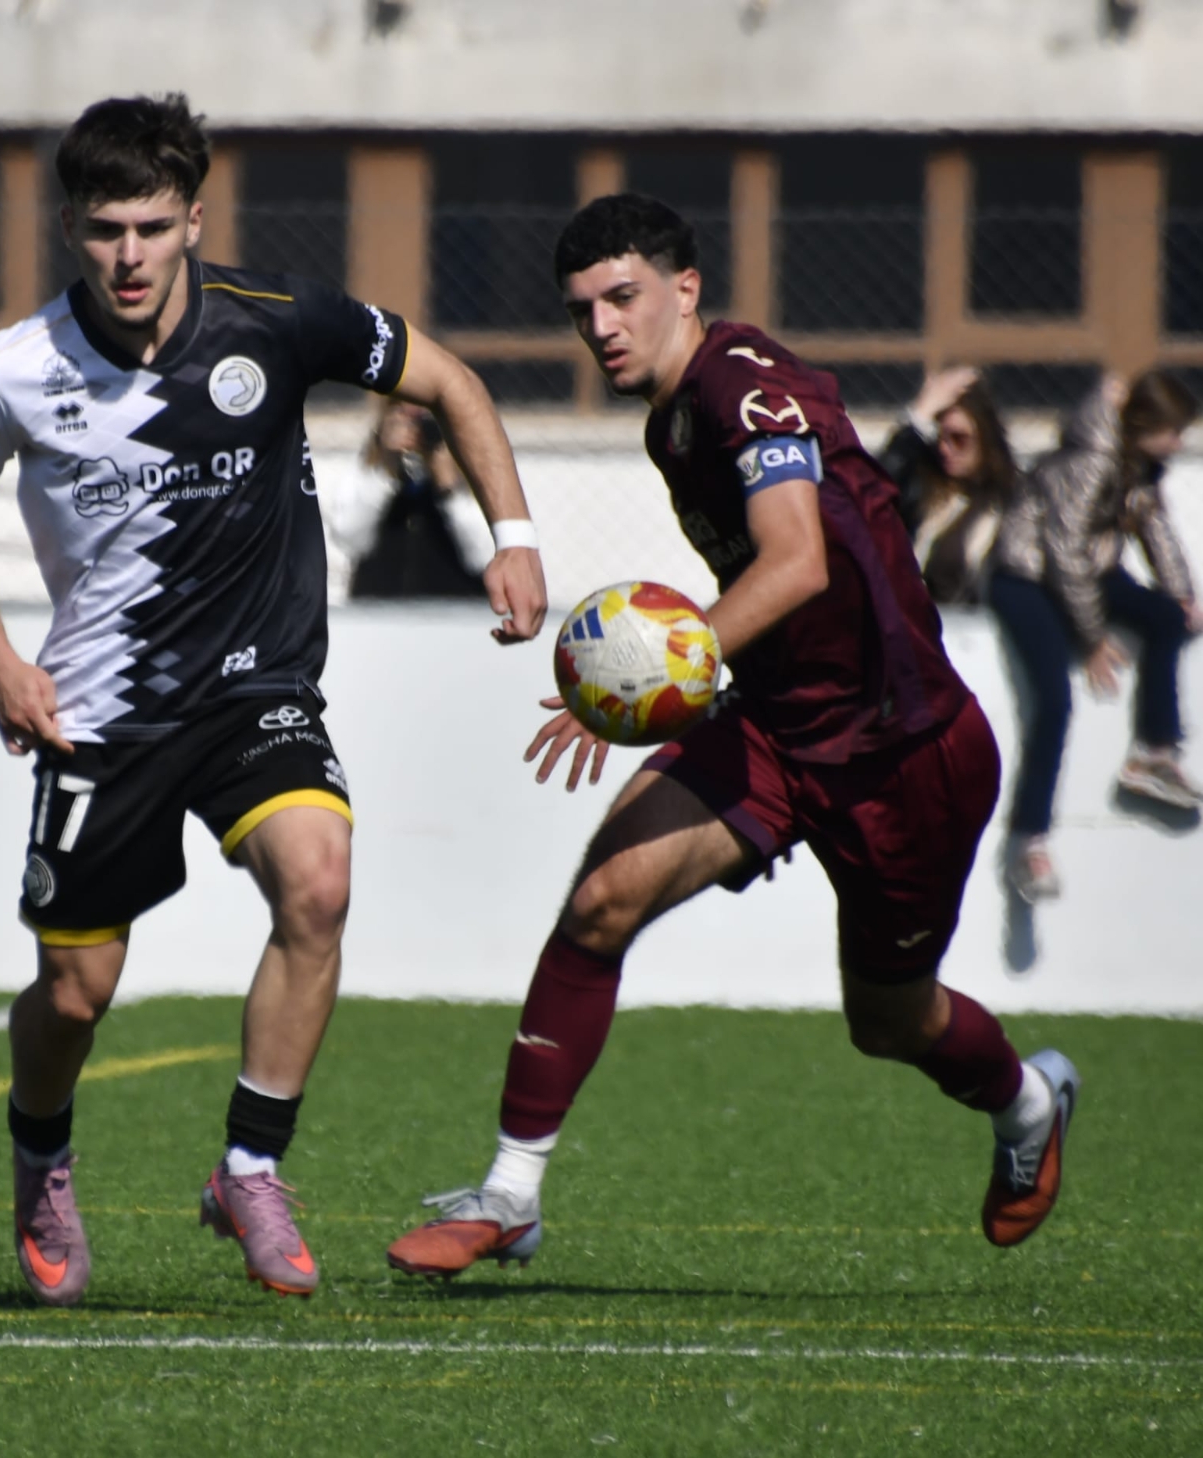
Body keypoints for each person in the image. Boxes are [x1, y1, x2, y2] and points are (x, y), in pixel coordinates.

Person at [0, 93, 546, 1305]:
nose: (130, 255)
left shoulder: (279, 319)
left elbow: (453, 381)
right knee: (74, 994)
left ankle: (250, 1167)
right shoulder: (12, 369)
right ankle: (40, 1158)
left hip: (257, 686)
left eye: (153, 227)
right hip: (101, 711)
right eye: (106, 229)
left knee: (319, 881)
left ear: (194, 221)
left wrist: (513, 537)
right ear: (69, 227)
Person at [385, 193, 1078, 1280]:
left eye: (623, 297)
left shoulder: (743, 387)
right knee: (601, 903)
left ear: (686, 289)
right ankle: (510, 1196)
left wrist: (651, 670)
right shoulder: (669, 419)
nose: (601, 326)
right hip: (771, 723)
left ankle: (1027, 1101)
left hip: (900, 752)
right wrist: (687, 681)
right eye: (581, 310)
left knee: (888, 1022)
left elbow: (796, 562)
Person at [988, 371, 1201, 902]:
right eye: (1173, 431)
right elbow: (1063, 553)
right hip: (1027, 577)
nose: (1179, 442)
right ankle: (1029, 841)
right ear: (1144, 426)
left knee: (1166, 619)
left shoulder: (1140, 466)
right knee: (1054, 702)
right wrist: (1091, 638)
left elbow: (1156, 529)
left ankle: (1153, 754)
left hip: (1087, 572)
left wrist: (1181, 596)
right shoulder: (1089, 461)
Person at [878, 367, 1013, 605]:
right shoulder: (925, 493)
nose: (945, 449)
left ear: (985, 438)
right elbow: (872, 495)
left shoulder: (1010, 502)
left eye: (959, 438)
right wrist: (918, 419)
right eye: (939, 437)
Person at [346, 399, 486, 599]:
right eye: (402, 413)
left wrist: (449, 487)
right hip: (380, 606)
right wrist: (386, 472)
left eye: (428, 415)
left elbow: (485, 557)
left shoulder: (475, 465)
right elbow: (350, 539)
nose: (416, 428)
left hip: (454, 606)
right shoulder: (370, 467)